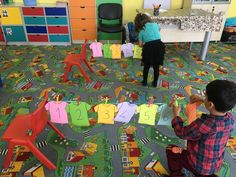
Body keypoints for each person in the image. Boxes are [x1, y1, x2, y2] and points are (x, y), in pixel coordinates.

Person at [166, 79, 236, 177]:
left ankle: (176, 174)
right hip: (215, 164)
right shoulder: (231, 118)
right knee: (204, 170)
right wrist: (202, 99)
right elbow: (214, 106)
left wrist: (176, 115)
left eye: (206, 96)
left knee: (171, 149)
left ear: (211, 104)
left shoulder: (202, 125)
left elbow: (181, 133)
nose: (204, 97)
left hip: (197, 163)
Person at [134, 13, 165, 87]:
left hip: (148, 48)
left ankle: (144, 82)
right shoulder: (155, 24)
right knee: (156, 67)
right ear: (148, 18)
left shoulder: (141, 31)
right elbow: (159, 29)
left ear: (137, 23)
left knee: (146, 66)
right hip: (159, 46)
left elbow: (140, 45)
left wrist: (145, 40)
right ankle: (155, 83)